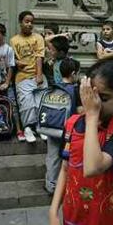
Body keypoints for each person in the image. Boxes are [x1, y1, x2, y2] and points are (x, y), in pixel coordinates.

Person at [49, 59, 113, 225]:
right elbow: (66, 169)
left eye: (103, 98)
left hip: (105, 221)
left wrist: (91, 116)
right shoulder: (72, 124)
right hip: (74, 215)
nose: (94, 103)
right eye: (90, 95)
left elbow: (92, 168)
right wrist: (53, 212)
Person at [44, 57, 81, 195]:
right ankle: (68, 185)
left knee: (52, 157)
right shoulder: (76, 90)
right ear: (73, 74)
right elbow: (79, 111)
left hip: (51, 128)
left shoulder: (52, 88)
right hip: (69, 131)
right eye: (78, 72)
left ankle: (51, 185)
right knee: (68, 158)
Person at [10, 10, 47, 143]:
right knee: (26, 104)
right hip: (22, 77)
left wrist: (38, 75)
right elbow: (11, 58)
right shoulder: (14, 40)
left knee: (40, 104)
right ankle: (27, 128)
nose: (29, 24)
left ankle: (39, 127)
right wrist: (16, 62)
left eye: (31, 22)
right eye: (26, 21)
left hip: (37, 75)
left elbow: (39, 57)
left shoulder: (38, 38)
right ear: (20, 23)